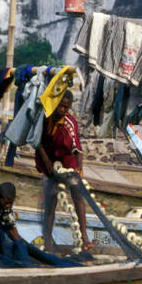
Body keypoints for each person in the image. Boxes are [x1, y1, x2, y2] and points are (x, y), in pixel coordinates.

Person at [35, 92, 93, 258]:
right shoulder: (44, 117)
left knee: (77, 193)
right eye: (60, 106)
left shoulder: (69, 123)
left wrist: (79, 168)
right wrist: (47, 163)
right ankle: (47, 241)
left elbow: (77, 148)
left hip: (67, 161)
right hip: (49, 160)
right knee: (50, 200)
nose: (62, 110)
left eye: (66, 107)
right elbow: (36, 141)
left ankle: (84, 238)